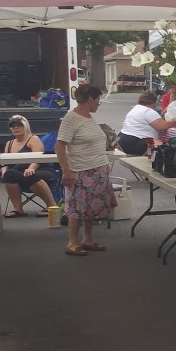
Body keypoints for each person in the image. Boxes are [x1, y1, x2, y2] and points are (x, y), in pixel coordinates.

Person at [55, 83, 113, 257]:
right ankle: (72, 243)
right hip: (81, 170)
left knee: (91, 207)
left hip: (97, 168)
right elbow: (60, 146)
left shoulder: (88, 117)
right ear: (90, 99)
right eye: (98, 100)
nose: (98, 104)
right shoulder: (71, 118)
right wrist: (66, 170)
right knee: (76, 207)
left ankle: (87, 239)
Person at [0, 115, 58, 216]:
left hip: (40, 170)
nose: (16, 128)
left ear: (26, 126)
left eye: (19, 125)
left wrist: (31, 168)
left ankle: (52, 207)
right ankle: (18, 209)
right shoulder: (9, 144)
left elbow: (39, 158)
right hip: (20, 174)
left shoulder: (33, 139)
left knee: (30, 175)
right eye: (13, 126)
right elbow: (5, 162)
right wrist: (4, 171)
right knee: (9, 174)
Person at [117, 91, 176, 155]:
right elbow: (161, 126)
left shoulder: (136, 109)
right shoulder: (148, 111)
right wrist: (173, 123)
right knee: (162, 145)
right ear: (153, 102)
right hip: (135, 142)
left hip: (122, 140)